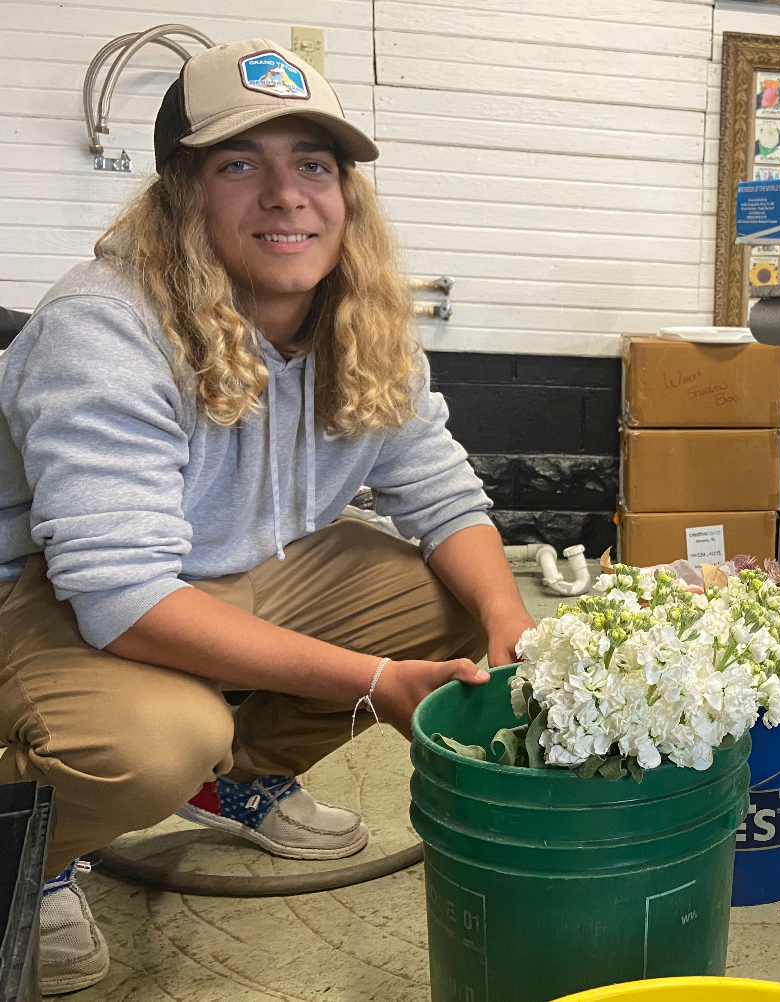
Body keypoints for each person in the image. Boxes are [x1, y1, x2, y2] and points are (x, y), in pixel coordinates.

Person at [0, 39, 533, 995]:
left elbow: (441, 493)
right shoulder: (105, 325)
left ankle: (238, 781)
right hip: (48, 592)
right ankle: (31, 855)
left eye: (313, 165)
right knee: (153, 742)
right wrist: (376, 680)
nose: (286, 194)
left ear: (345, 195)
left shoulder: (363, 321)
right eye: (240, 164)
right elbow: (118, 594)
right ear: (180, 194)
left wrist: (513, 625)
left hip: (233, 565)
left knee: (456, 603)